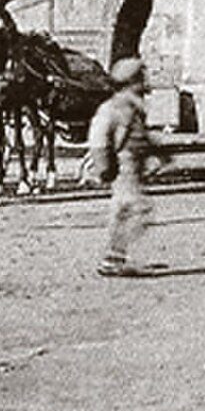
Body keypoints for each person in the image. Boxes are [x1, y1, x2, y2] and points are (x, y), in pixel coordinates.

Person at [84, 57, 157, 278]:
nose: (144, 84)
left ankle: (113, 257)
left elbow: (142, 137)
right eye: (140, 79)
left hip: (132, 167)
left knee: (124, 211)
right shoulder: (117, 107)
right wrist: (103, 164)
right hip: (125, 167)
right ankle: (113, 258)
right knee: (137, 210)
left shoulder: (130, 106)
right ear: (131, 82)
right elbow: (101, 137)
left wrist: (160, 156)